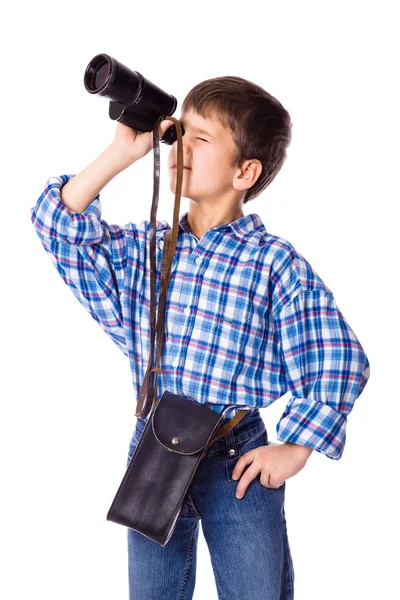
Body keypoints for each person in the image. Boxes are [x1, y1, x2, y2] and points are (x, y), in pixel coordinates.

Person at [30, 75, 370, 600]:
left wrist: (297, 446)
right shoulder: (146, 250)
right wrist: (123, 151)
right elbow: (58, 225)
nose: (180, 148)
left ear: (245, 171)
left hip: (236, 457)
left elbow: (338, 356)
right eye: (179, 133)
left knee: (254, 591)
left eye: (201, 139)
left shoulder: (272, 262)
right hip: (154, 448)